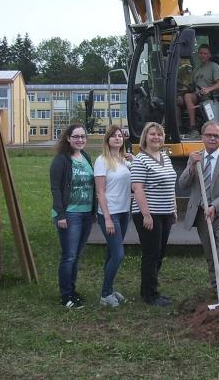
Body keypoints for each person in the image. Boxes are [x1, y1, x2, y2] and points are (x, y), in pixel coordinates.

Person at [178, 120, 219, 304]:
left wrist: (215, 206)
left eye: (217, 136)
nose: (212, 139)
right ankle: (217, 287)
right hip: (200, 215)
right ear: (202, 137)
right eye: (209, 135)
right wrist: (191, 167)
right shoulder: (195, 157)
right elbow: (183, 184)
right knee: (210, 252)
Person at [49, 123, 96, 309]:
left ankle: (72, 291)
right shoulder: (61, 160)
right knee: (68, 256)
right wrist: (61, 215)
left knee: (76, 256)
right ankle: (65, 296)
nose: (80, 140)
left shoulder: (85, 157)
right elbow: (56, 189)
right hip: (69, 214)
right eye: (76, 136)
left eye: (83, 136)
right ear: (68, 138)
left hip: (85, 214)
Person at [131, 122, 177, 307]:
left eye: (159, 134)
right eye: (152, 134)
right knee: (151, 253)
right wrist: (146, 215)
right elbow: (137, 188)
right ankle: (150, 295)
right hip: (149, 213)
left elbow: (171, 184)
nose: (156, 137)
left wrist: (174, 209)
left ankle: (148, 287)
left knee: (159, 252)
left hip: (165, 212)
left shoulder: (165, 157)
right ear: (145, 137)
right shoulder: (140, 159)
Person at [94, 125, 134, 308]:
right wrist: (108, 218)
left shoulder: (125, 161)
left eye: (120, 136)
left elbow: (136, 181)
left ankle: (109, 289)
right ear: (107, 140)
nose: (118, 138)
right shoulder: (102, 161)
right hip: (109, 214)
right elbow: (100, 193)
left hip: (124, 212)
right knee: (118, 255)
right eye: (113, 136)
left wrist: (133, 160)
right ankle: (104, 295)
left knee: (111, 253)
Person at [178, 44, 219, 137]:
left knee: (187, 97)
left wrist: (209, 89)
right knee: (176, 100)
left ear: (209, 55)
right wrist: (183, 88)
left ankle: (193, 127)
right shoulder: (196, 69)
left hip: (209, 96)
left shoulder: (214, 66)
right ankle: (178, 128)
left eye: (205, 53)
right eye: (201, 53)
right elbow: (191, 86)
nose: (203, 55)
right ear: (198, 54)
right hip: (197, 95)